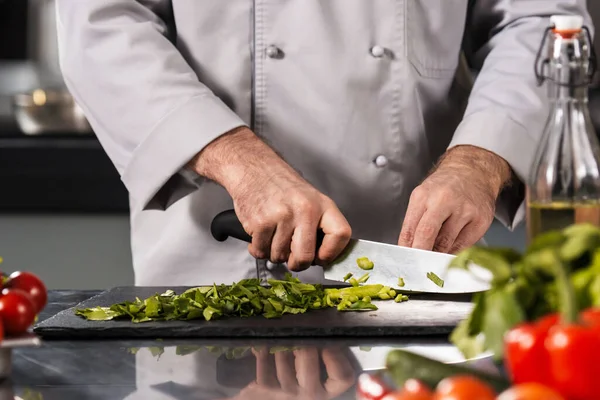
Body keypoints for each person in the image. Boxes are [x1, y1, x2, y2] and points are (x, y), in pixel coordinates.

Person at [55, 1, 592, 286]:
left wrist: (480, 159)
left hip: (421, 260)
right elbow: (103, 26)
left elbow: (543, 21)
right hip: (218, 260)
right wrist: (242, 165)